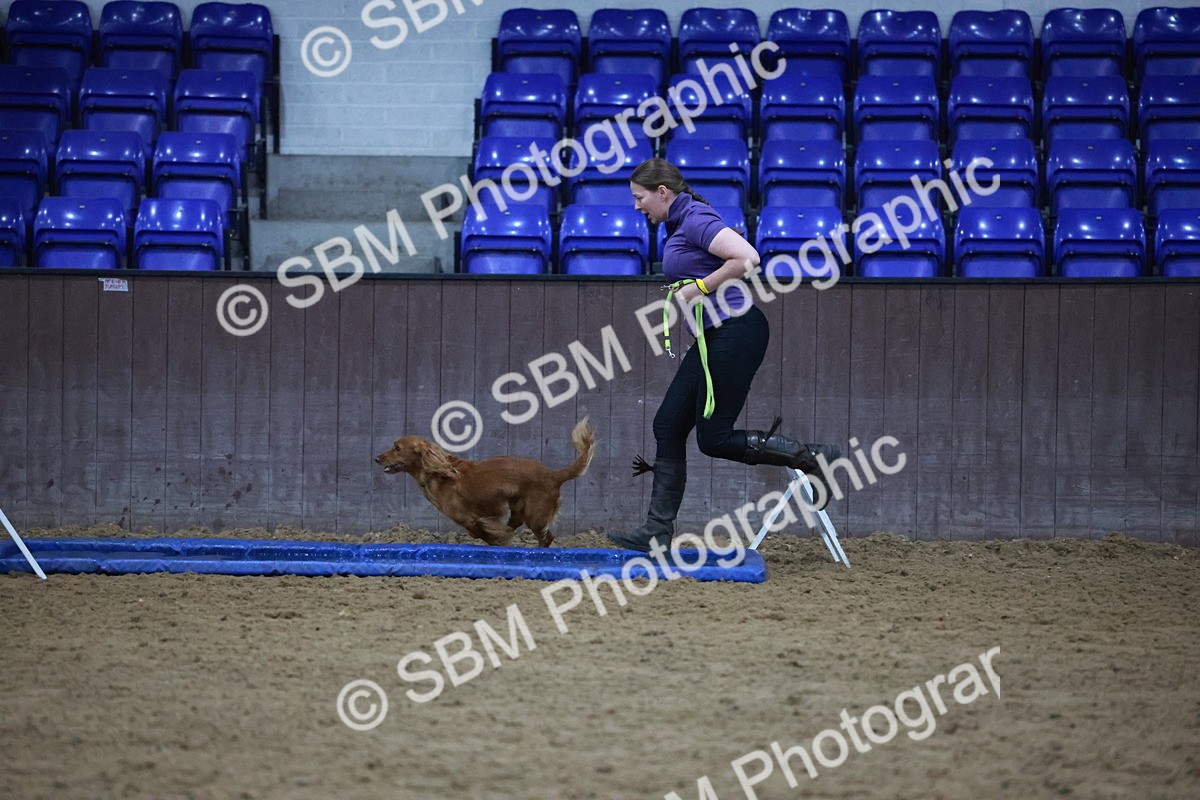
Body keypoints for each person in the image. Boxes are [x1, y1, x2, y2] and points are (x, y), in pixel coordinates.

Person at [608, 158, 841, 553]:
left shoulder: (695, 218)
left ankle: (814, 456)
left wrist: (699, 286)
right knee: (668, 424)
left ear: (662, 192)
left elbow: (748, 258)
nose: (637, 206)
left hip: (737, 331)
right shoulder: (680, 223)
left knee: (713, 438)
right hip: (715, 336)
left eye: (639, 197)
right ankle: (657, 531)